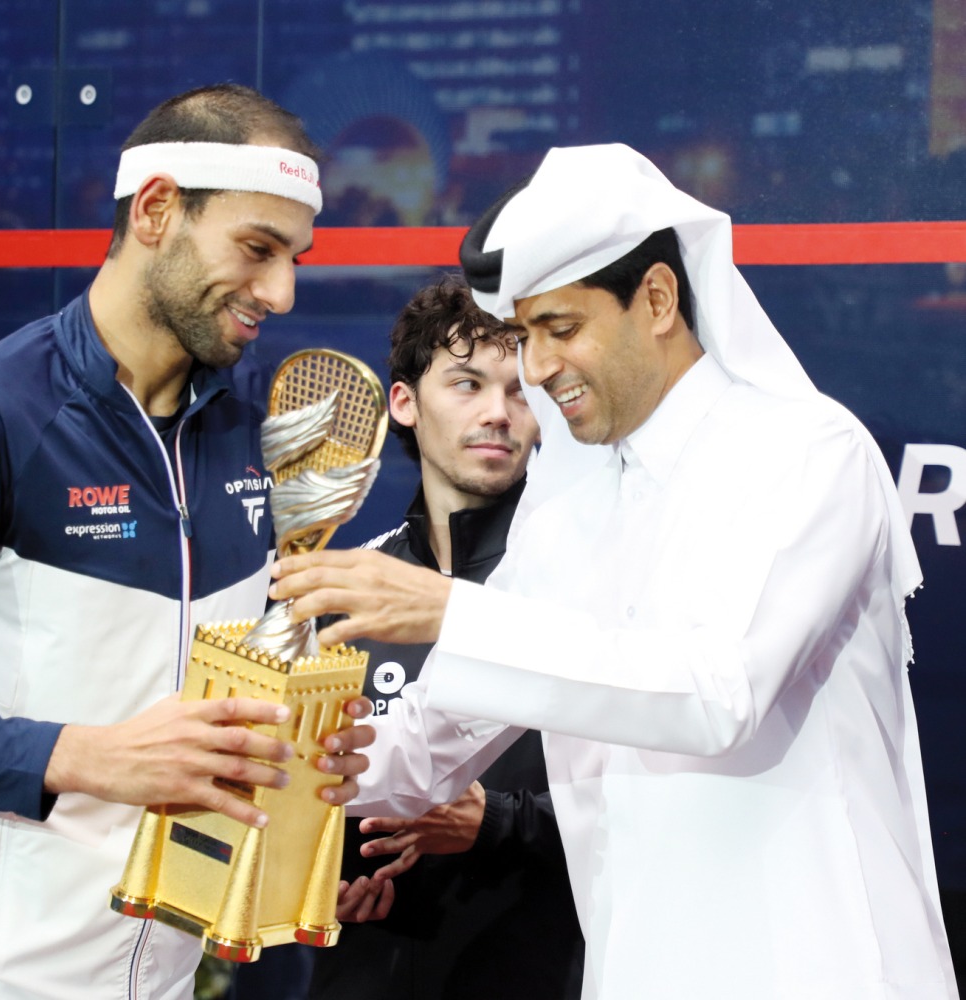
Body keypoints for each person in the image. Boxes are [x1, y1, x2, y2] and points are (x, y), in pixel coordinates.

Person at [269, 144, 959, 999]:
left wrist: (450, 609)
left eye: (562, 329)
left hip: (813, 963)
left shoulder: (808, 454)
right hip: (634, 967)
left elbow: (718, 694)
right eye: (525, 337)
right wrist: (289, 758)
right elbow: (439, 732)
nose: (538, 368)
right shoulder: (572, 499)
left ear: (658, 300)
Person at [0, 84, 373, 1000]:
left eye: (294, 257)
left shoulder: (250, 436)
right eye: (256, 250)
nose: (281, 291)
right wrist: (82, 757)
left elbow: (197, 692)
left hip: (157, 977)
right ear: (155, 211)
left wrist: (297, 739)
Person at [302, 275, 581, 1000]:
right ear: (404, 402)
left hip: (541, 969)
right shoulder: (341, 590)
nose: (497, 414)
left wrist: (494, 823)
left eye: (519, 391)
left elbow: (655, 805)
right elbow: (292, 796)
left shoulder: (583, 581)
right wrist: (308, 888)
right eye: (466, 384)